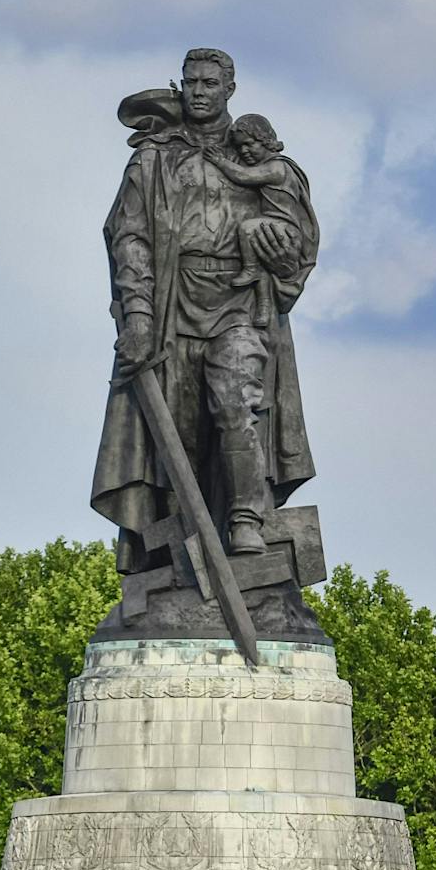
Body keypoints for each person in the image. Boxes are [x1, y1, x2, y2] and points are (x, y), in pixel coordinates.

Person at [93, 47, 320, 573]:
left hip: (239, 303)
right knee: (176, 436)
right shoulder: (153, 158)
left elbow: (298, 240)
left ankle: (246, 519)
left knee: (236, 402)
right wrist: (139, 316)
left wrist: (280, 251)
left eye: (209, 83)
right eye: (191, 82)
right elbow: (129, 236)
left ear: (229, 89)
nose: (198, 91)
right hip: (171, 308)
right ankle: (183, 553)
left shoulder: (258, 158)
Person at [211, 113, 318, 327]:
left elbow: (244, 176)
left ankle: (250, 268)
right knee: (262, 269)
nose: (244, 151)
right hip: (273, 226)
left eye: (249, 144)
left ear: (265, 140)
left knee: (248, 228)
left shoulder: (277, 167)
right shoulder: (275, 165)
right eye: (239, 147)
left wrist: (220, 162)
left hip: (283, 229)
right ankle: (263, 308)